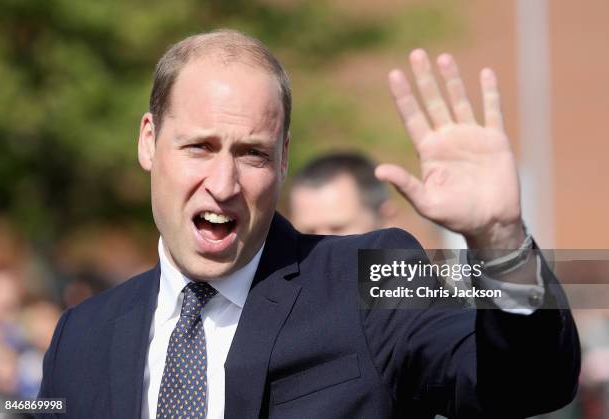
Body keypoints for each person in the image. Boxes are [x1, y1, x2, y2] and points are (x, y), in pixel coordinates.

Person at [38, 29, 579, 418]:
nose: (224, 184)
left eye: (251, 153)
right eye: (200, 147)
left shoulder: (372, 275)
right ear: (149, 141)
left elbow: (525, 387)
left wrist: (500, 240)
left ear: (283, 159)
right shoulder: (81, 335)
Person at [289, 152, 396, 235]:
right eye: (309, 232)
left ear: (385, 219)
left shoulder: (402, 262)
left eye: (337, 229)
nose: (321, 245)